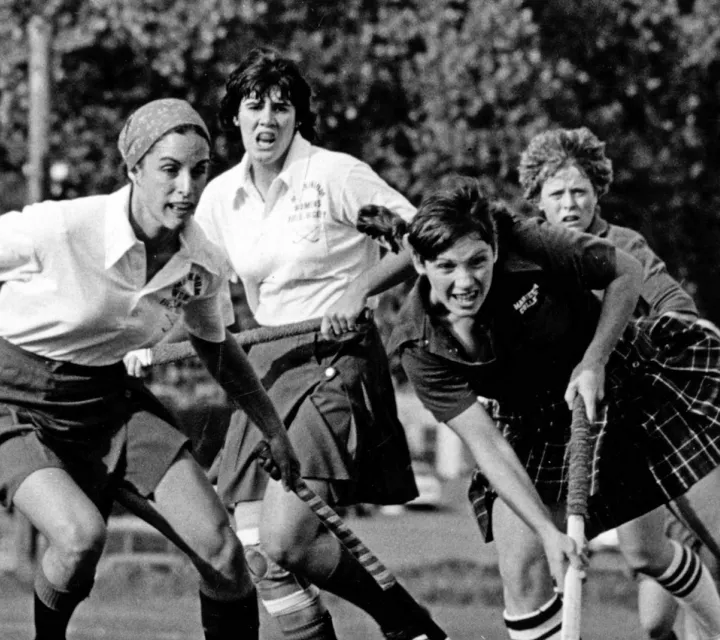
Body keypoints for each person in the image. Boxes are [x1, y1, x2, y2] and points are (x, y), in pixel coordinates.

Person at [360, 175, 720, 640]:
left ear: (495, 247)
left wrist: (594, 360)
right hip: (534, 423)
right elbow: (487, 446)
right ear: (418, 263)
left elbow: (625, 270)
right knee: (522, 572)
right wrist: (548, 533)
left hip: (625, 379)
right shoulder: (419, 347)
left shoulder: (528, 242)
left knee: (688, 536)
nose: (466, 282)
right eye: (447, 267)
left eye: (478, 262)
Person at [0, 98, 300, 640]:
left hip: (108, 401)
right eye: (169, 169)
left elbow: (217, 348)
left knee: (225, 556)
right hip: (12, 395)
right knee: (79, 537)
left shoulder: (202, 260)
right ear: (134, 168)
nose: (187, 187)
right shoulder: (63, 228)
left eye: (199, 170)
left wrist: (272, 429)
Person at [189, 47, 433, 640]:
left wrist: (360, 287)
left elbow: (422, 238)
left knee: (285, 539)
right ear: (236, 117)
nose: (267, 120)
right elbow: (200, 287)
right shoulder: (220, 197)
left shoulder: (334, 175)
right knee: (258, 553)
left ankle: (406, 624)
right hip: (266, 367)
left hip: (334, 358)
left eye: (281, 107)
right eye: (255, 107)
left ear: (299, 116)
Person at [518, 126, 720, 640]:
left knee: (648, 563)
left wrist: (630, 342)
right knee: (647, 608)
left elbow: (676, 305)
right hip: (558, 425)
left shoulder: (622, 244)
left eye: (579, 191)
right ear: (537, 199)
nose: (570, 203)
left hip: (636, 417)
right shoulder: (523, 253)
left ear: (597, 193)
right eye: (557, 193)